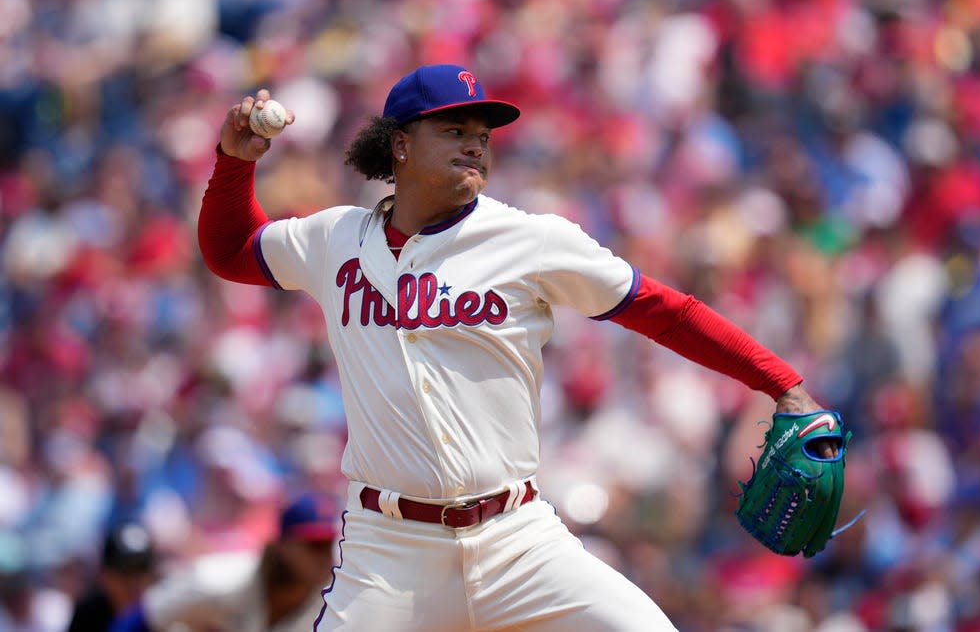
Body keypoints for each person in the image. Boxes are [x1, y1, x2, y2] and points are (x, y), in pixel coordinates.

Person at [196, 63, 836, 631]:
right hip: (389, 554)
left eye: (482, 130)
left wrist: (782, 383)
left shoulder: (531, 239)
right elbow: (230, 252)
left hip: (517, 541)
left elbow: (665, 312)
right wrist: (235, 160)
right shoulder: (333, 238)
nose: (475, 140)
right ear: (399, 144)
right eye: (452, 128)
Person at [109, 491, 338, 632]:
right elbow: (143, 616)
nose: (322, 556)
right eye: (313, 545)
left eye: (327, 545)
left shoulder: (333, 605)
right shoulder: (220, 579)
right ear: (282, 545)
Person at [66, 522, 159, 632]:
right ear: (105, 576)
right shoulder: (88, 613)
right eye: (126, 574)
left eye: (141, 573)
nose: (134, 583)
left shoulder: (162, 610)